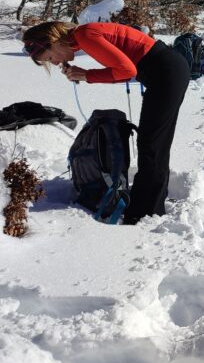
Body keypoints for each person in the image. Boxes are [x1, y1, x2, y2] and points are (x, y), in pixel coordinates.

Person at [21, 21, 190, 224]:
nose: (56, 63)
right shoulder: (81, 37)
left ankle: (146, 212)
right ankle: (150, 202)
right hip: (164, 70)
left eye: (50, 57)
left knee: (152, 143)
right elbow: (126, 70)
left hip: (165, 71)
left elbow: (126, 71)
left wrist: (86, 75)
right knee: (153, 141)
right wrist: (87, 76)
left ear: (53, 41)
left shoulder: (84, 35)